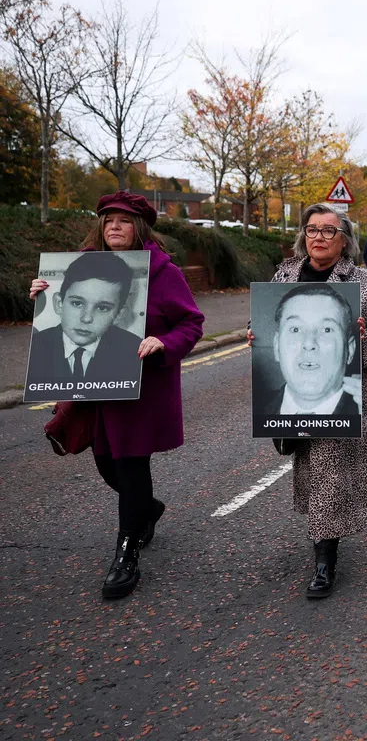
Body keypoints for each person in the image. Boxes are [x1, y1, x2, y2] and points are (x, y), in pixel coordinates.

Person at [28, 191, 204, 599]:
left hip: (141, 389)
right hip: (96, 389)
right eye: (108, 221)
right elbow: (58, 315)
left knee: (130, 464)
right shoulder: (77, 267)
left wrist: (163, 342)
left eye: (123, 221)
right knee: (106, 463)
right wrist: (40, 295)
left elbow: (191, 324)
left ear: (139, 227)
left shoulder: (162, 272)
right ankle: (148, 508)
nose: (114, 228)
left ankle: (126, 556)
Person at [247, 203, 367, 598]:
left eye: (329, 231)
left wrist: (362, 344)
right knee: (310, 469)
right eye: (312, 229)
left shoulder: (364, 283)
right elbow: (263, 323)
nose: (318, 237)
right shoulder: (285, 274)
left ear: (344, 239)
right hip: (294, 396)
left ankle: (324, 561)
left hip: (343, 396)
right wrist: (256, 333)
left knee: (329, 470)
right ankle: (323, 541)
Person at [26, 252, 143, 387]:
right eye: (77, 303)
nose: (86, 318)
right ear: (59, 303)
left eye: (102, 308)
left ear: (118, 315)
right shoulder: (38, 346)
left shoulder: (133, 350)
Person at [261, 284, 360, 418]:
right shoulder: (255, 411)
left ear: (350, 350)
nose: (309, 343)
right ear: (277, 346)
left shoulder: (364, 415)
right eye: (295, 329)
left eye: (327, 329)